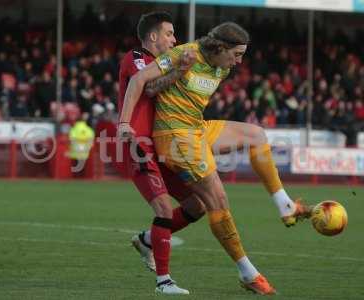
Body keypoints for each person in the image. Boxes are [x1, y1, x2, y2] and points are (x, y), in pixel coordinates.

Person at [119, 21, 312, 295]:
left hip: (196, 129)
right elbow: (142, 82)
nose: (239, 61)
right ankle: (248, 272)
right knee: (217, 200)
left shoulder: (221, 67)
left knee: (256, 135)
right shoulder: (184, 53)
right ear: (220, 47)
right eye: (236, 54)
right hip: (175, 136)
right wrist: (125, 123)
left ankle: (285, 205)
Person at [115, 11, 207, 295]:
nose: (174, 39)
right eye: (169, 34)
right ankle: (163, 282)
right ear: (153, 37)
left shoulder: (161, 63)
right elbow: (151, 87)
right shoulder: (136, 58)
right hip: (139, 143)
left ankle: (146, 241)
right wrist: (180, 69)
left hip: (163, 146)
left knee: (197, 205)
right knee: (164, 209)